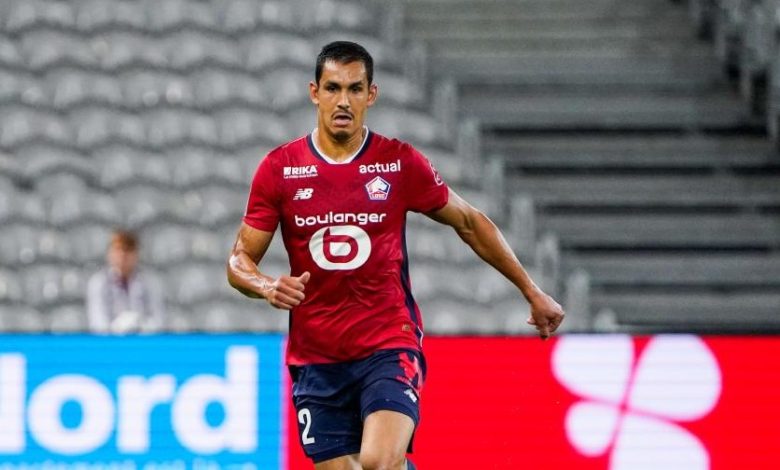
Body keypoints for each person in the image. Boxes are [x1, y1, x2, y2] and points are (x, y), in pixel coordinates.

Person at [227, 41, 564, 470]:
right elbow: (239, 261)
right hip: (316, 357)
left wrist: (531, 291)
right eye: (333, 88)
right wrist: (267, 285)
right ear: (315, 93)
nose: (343, 101)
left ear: (371, 94)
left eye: (355, 88)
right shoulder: (280, 169)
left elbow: (468, 222)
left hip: (388, 342)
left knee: (377, 462)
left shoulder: (398, 163)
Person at [86, 228, 165, 334]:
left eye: (128, 250)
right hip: (110, 341)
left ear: (136, 254)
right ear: (110, 253)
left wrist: (138, 327)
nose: (123, 255)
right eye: (118, 249)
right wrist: (119, 329)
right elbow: (98, 322)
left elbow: (158, 319)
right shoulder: (98, 282)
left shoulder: (150, 282)